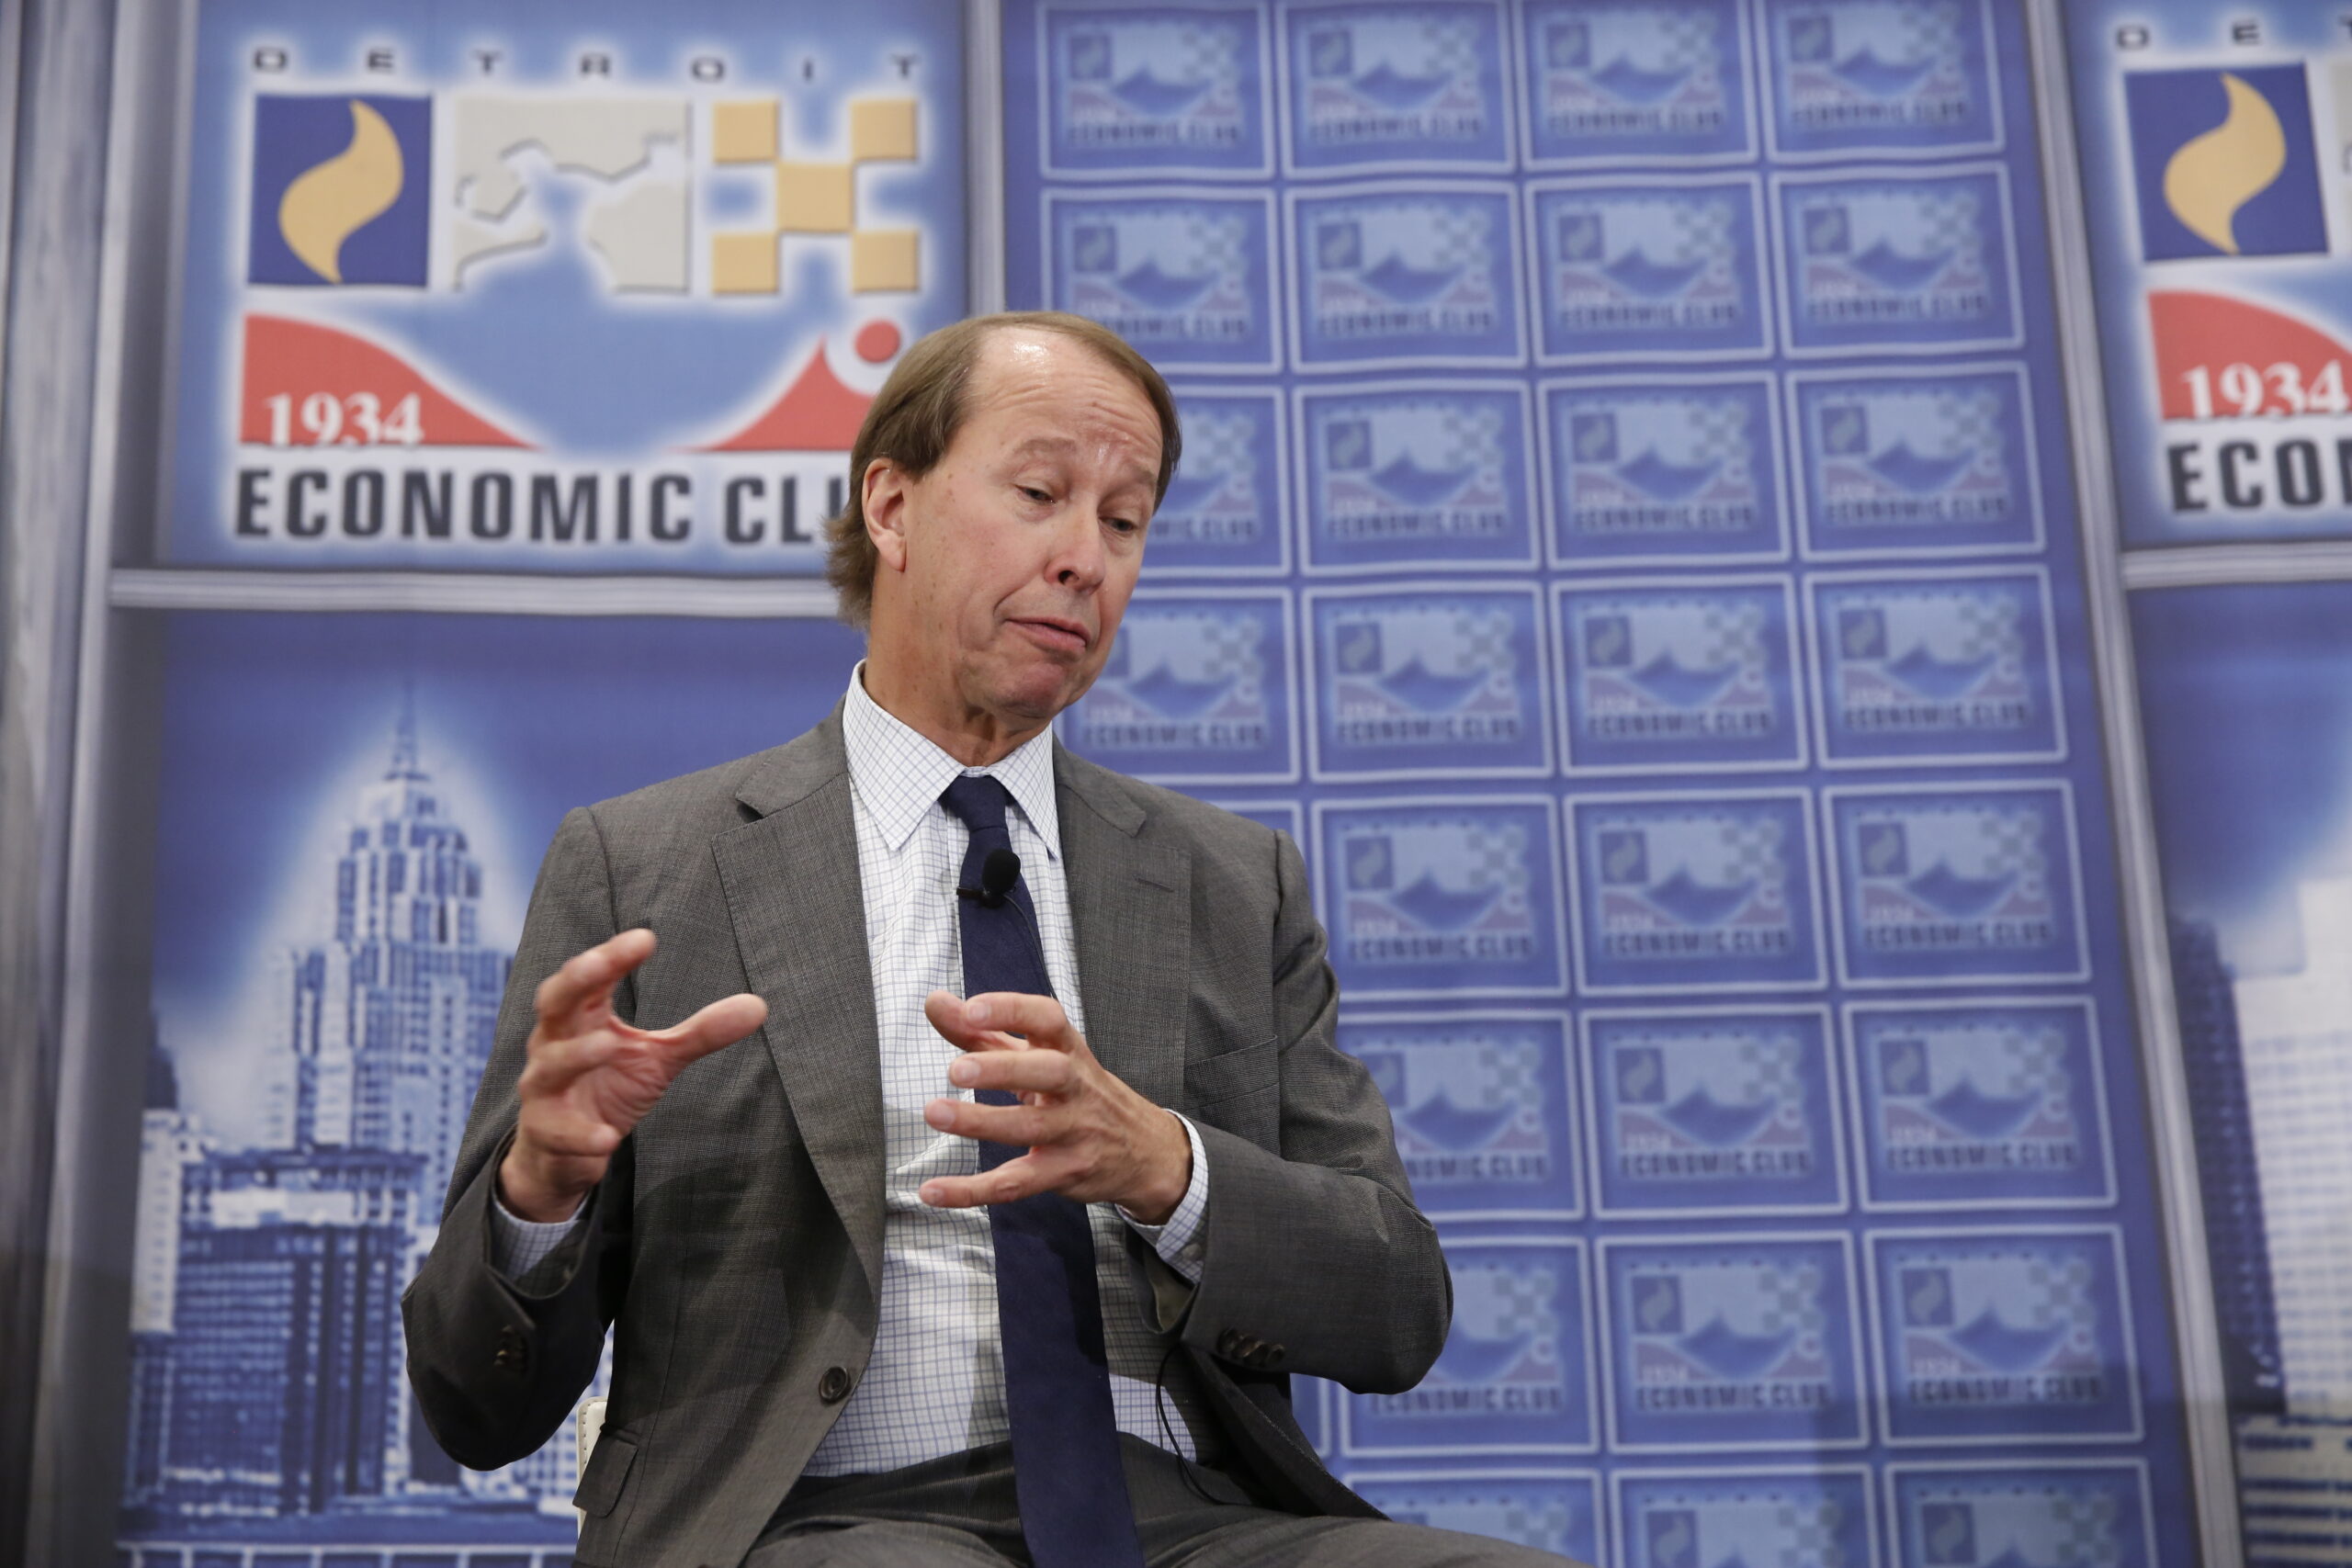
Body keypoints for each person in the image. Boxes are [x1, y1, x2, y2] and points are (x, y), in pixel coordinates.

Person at [402, 311, 1580, 1568]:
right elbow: (477, 1408)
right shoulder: (647, 867)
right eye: (1039, 494)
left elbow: (1395, 1308)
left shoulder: (1236, 885)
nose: (1086, 558)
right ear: (893, 509)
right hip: (819, 1517)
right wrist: (543, 1193)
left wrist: (1163, 1166)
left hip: (1189, 1520)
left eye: (1124, 523)